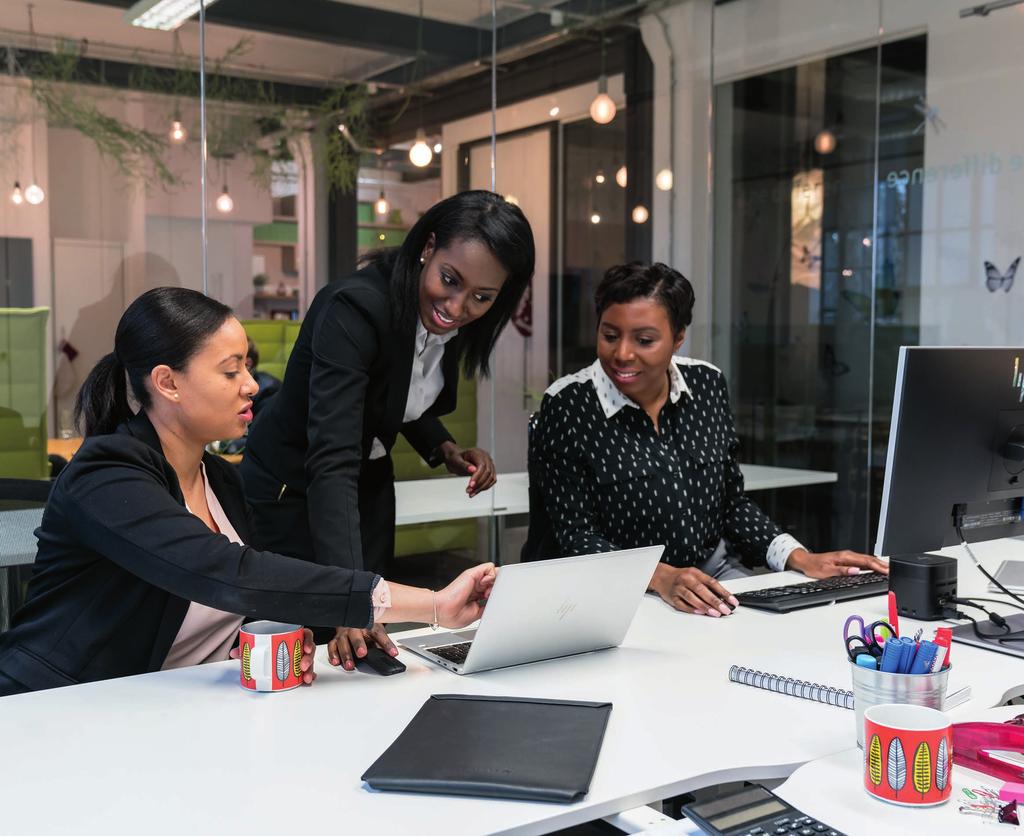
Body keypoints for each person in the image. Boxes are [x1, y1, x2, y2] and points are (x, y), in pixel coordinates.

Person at [0, 288, 495, 696]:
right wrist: (433, 605)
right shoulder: (107, 475)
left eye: (247, 367)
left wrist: (283, 636)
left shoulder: (220, 479)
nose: (251, 385)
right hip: (58, 707)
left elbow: (250, 602)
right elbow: (226, 573)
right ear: (168, 383)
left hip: (166, 712)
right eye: (230, 370)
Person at [240, 190, 534, 660]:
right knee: (308, 637)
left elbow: (396, 391)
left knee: (371, 624)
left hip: (367, 483)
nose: (458, 307)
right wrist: (347, 600)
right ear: (427, 247)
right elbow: (330, 459)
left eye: (481, 297)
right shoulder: (353, 309)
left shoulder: (450, 319)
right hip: (293, 486)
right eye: (450, 280)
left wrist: (444, 446)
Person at [527, 262, 888, 617]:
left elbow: (731, 504)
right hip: (612, 593)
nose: (622, 353)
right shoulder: (568, 404)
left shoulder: (706, 384)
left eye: (644, 340)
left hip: (709, 577)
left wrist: (799, 557)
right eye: (609, 335)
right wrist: (660, 577)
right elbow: (574, 537)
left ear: (678, 336)